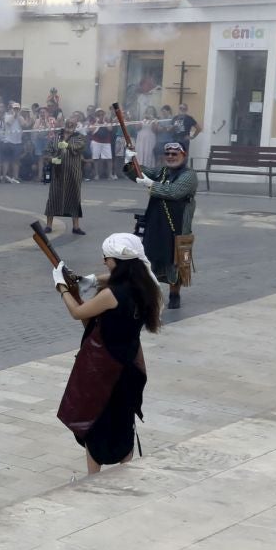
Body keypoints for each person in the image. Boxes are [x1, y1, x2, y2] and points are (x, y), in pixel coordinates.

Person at [52, 234, 162, 473]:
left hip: (104, 370)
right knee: (124, 421)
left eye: (107, 258)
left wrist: (62, 288)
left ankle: (93, 478)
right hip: (128, 365)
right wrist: (88, 280)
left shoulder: (111, 294)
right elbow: (112, 278)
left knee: (97, 423)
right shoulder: (143, 286)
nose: (104, 261)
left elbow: (78, 312)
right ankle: (126, 470)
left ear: (120, 261)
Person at [132, 141, 196, 311]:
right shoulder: (162, 171)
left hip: (179, 225)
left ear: (184, 155)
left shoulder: (189, 175)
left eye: (174, 154)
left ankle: (175, 294)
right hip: (157, 222)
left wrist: (150, 184)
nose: (170, 157)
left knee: (177, 261)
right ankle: (149, 296)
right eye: (167, 154)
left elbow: (174, 192)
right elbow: (141, 173)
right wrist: (131, 162)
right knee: (150, 257)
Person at [42, 118, 86, 237]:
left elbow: (80, 146)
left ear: (75, 126)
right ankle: (48, 225)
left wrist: (68, 145)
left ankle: (76, 227)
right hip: (58, 173)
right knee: (53, 198)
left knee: (74, 198)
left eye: (72, 124)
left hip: (73, 173)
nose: (70, 126)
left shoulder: (79, 137)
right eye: (68, 124)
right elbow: (46, 152)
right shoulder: (55, 137)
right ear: (64, 125)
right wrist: (52, 159)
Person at [0, 104, 24, 183]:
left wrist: (18, 116)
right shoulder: (7, 116)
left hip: (17, 142)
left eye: (17, 109)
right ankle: (4, 176)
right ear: (12, 109)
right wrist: (14, 115)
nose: (16, 110)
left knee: (16, 160)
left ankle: (15, 177)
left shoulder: (21, 117)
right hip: (8, 141)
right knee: (6, 160)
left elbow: (23, 125)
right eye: (14, 108)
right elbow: (9, 123)